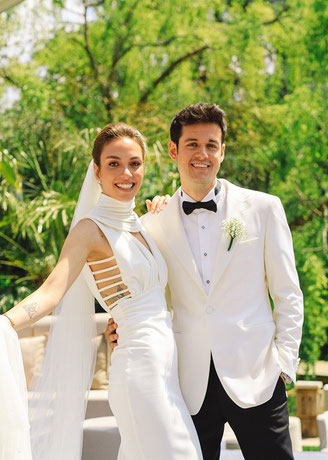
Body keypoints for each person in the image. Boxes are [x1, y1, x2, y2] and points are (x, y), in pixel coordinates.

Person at [106, 103, 304, 460]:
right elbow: (147, 294)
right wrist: (120, 327)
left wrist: (284, 365)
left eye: (212, 145)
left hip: (258, 375)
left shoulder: (263, 208)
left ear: (223, 151)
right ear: (173, 150)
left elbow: (288, 293)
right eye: (193, 144)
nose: (203, 154)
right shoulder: (151, 224)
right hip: (187, 382)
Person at [0, 123, 203, 460]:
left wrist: (164, 210)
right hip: (139, 370)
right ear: (96, 171)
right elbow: (52, 291)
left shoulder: (141, 224)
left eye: (135, 163)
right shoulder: (89, 230)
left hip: (167, 370)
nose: (126, 172)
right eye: (113, 163)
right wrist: (6, 323)